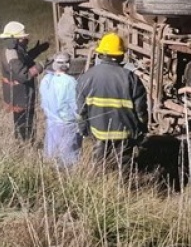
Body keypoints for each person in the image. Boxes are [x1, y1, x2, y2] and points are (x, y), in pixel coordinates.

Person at [76, 32, 148, 171]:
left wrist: (84, 130)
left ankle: (103, 192)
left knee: (100, 170)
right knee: (124, 173)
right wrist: (141, 130)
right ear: (121, 55)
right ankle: (123, 191)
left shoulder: (86, 77)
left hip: (98, 134)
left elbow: (81, 112)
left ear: (101, 54)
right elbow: (141, 112)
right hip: (124, 135)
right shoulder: (131, 78)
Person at [0, 21, 43, 141]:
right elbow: (24, 75)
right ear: (15, 39)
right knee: (23, 125)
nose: (25, 40)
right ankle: (24, 147)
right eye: (22, 38)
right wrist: (40, 67)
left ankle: (26, 143)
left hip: (21, 95)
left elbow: (24, 58)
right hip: (20, 97)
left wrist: (37, 50)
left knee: (26, 123)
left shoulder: (13, 50)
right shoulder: (11, 55)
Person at [39, 52, 81, 167]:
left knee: (52, 154)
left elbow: (43, 101)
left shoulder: (46, 80)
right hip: (67, 123)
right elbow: (75, 104)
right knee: (68, 158)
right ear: (68, 64)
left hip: (51, 122)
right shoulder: (70, 82)